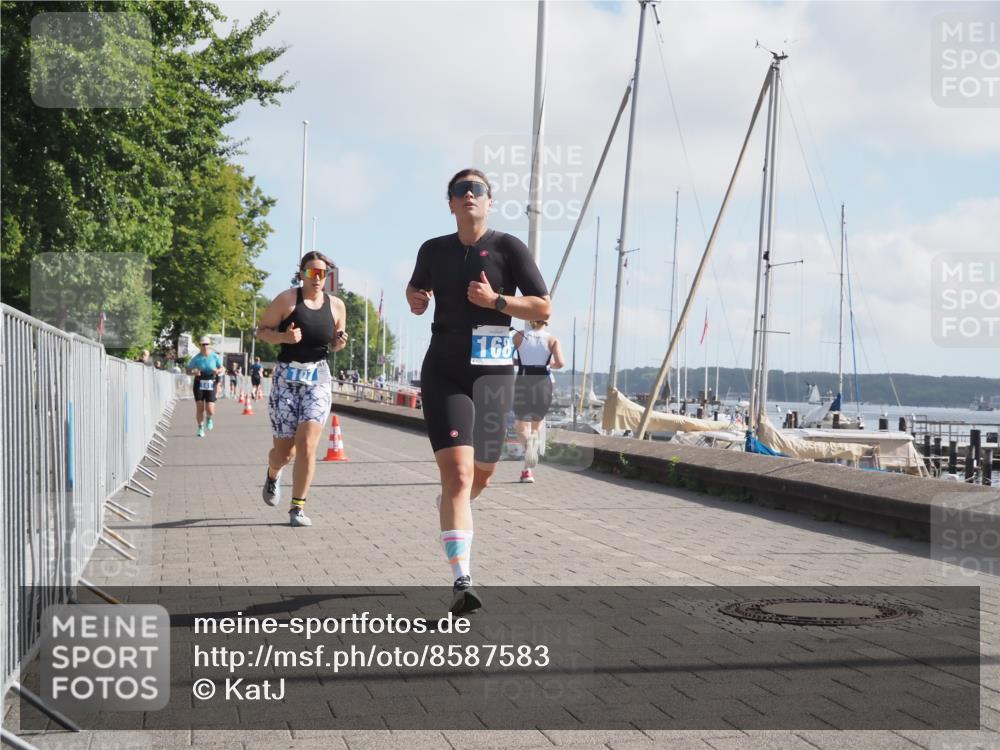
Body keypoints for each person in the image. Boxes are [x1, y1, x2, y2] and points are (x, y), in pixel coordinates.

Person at [406, 168, 550, 614]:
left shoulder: (508, 248)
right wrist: (415, 298)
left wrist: (498, 303)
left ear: (489, 201)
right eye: (460, 190)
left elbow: (543, 309)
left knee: (482, 474)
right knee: (460, 475)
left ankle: (452, 508)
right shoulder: (433, 249)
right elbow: (416, 288)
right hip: (444, 370)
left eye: (477, 189)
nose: (469, 195)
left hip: (492, 376)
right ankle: (461, 578)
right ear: (450, 202)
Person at [256, 251, 348, 527]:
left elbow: (335, 343)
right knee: (285, 453)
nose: (317, 278)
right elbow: (261, 331)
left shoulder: (337, 306)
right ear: (302, 274)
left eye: (322, 273)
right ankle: (273, 474)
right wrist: (284, 336)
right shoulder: (287, 300)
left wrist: (340, 342)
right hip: (286, 378)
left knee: (307, 444)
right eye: (311, 272)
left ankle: (297, 507)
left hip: (317, 378)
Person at [512, 320, 564, 483]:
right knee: (536, 425)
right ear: (546, 321)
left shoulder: (518, 336)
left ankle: (528, 452)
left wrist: (519, 362)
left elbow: (507, 357)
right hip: (543, 381)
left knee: (521, 426)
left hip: (523, 379)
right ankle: (527, 468)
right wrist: (547, 364)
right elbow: (561, 363)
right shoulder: (552, 339)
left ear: (528, 320)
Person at [186, 336, 224, 437]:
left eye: (207, 344)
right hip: (199, 383)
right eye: (203, 344)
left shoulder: (215, 356)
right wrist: (194, 372)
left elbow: (222, 368)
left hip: (211, 382)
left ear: (210, 345)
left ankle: (209, 418)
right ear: (200, 346)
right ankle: (200, 428)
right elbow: (188, 371)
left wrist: (218, 371)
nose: (205, 346)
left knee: (210, 409)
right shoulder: (196, 358)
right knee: (200, 408)